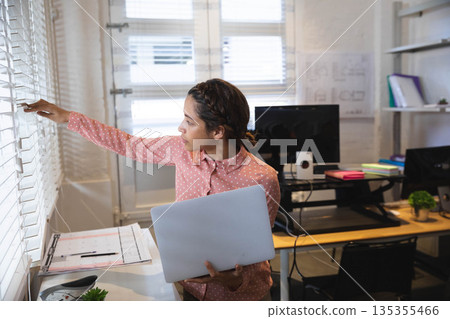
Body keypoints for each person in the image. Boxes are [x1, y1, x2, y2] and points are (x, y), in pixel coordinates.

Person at [25, 78, 280, 301]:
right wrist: (69, 117)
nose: (181, 127)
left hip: (243, 298)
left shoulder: (262, 178)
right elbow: (128, 145)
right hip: (190, 289)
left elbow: (254, 254)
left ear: (217, 132)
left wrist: (232, 282)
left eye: (189, 122)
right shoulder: (183, 150)